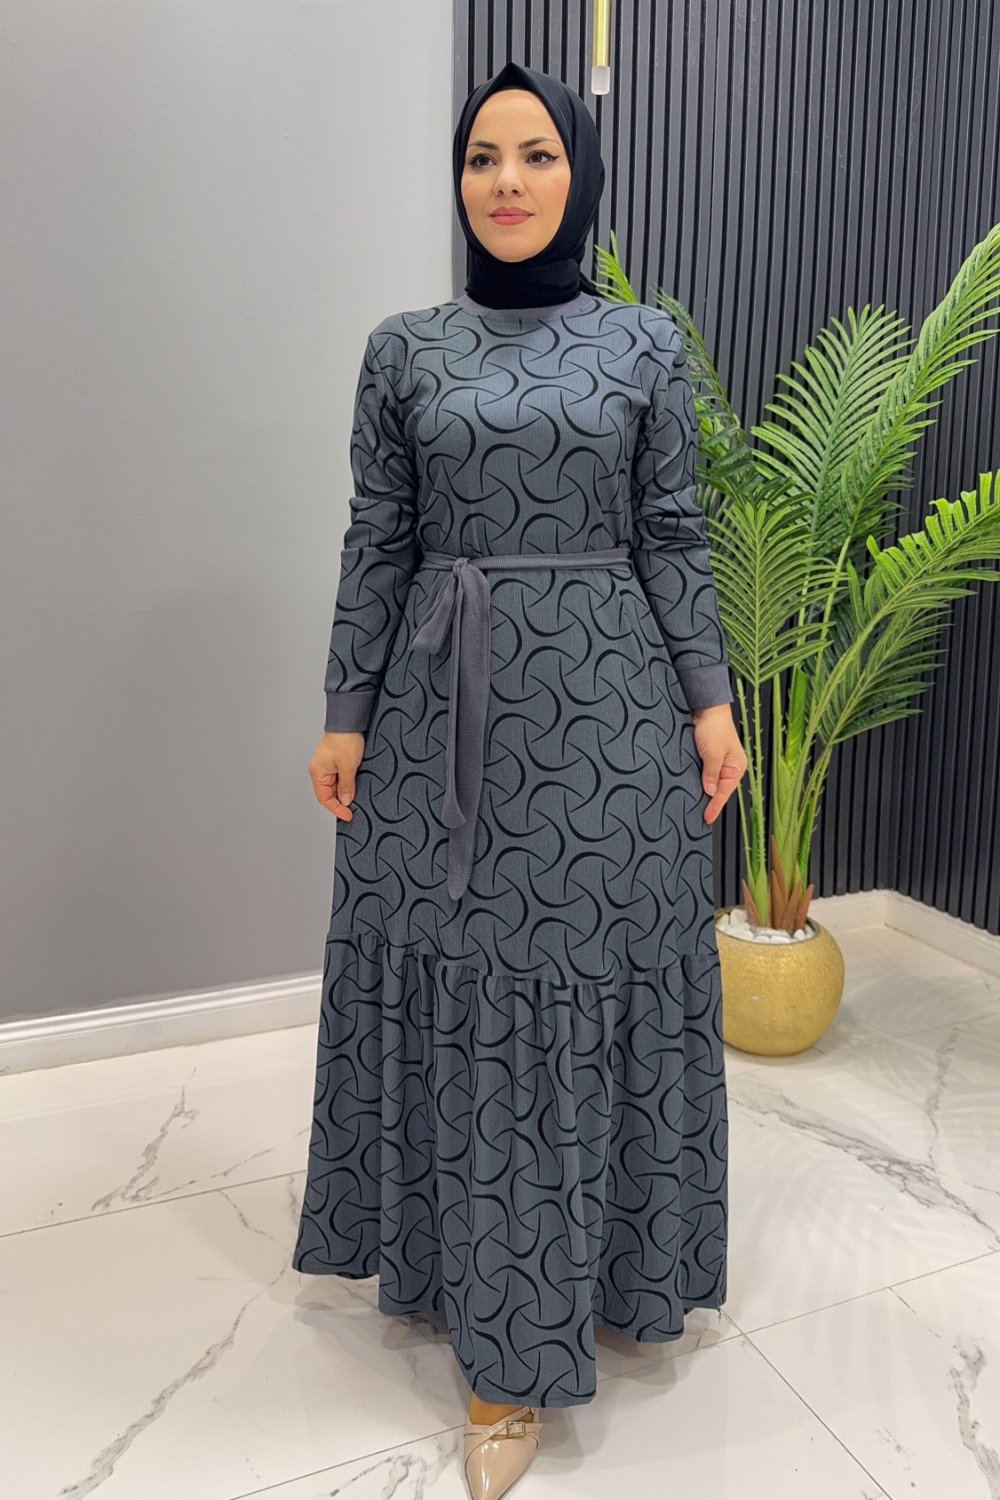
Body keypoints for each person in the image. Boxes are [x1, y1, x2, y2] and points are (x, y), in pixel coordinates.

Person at [293, 59, 748, 1500]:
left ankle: (608, 1276)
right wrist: (346, 709)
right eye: (483, 156)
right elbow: (378, 537)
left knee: (584, 989)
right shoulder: (404, 350)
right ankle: (500, 1349)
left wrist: (712, 699)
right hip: (439, 722)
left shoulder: (643, 344)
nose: (506, 181)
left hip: (610, 725)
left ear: (579, 175)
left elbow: (672, 531)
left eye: (537, 154)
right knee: (472, 999)